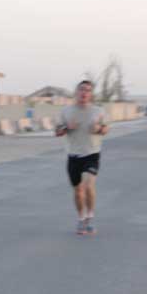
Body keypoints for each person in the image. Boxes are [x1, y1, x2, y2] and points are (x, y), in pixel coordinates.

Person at [55, 80, 109, 235]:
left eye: (87, 90)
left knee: (88, 185)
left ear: (91, 94)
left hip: (92, 153)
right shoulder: (66, 111)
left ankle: (90, 218)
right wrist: (67, 127)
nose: (84, 92)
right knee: (78, 190)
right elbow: (58, 132)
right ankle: (81, 218)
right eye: (81, 89)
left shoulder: (99, 111)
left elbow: (106, 129)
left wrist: (99, 128)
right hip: (73, 155)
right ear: (76, 92)